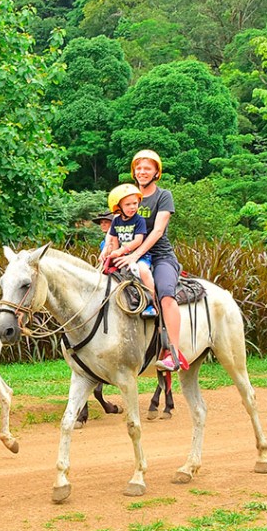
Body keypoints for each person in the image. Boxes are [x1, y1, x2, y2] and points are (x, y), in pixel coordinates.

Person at [116, 150, 186, 371]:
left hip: (160, 256)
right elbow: (116, 228)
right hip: (130, 255)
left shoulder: (163, 196)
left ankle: (174, 353)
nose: (142, 172)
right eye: (138, 168)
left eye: (147, 168)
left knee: (165, 294)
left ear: (157, 172)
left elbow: (156, 232)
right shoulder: (126, 196)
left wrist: (135, 255)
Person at [99, 184, 157, 317]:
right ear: (118, 207)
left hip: (139, 256)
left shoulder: (139, 220)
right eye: (128, 204)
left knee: (143, 271)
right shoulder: (116, 221)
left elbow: (138, 240)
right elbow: (113, 238)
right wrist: (106, 251)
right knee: (105, 271)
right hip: (122, 255)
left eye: (135, 203)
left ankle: (151, 303)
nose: (132, 207)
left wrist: (120, 251)